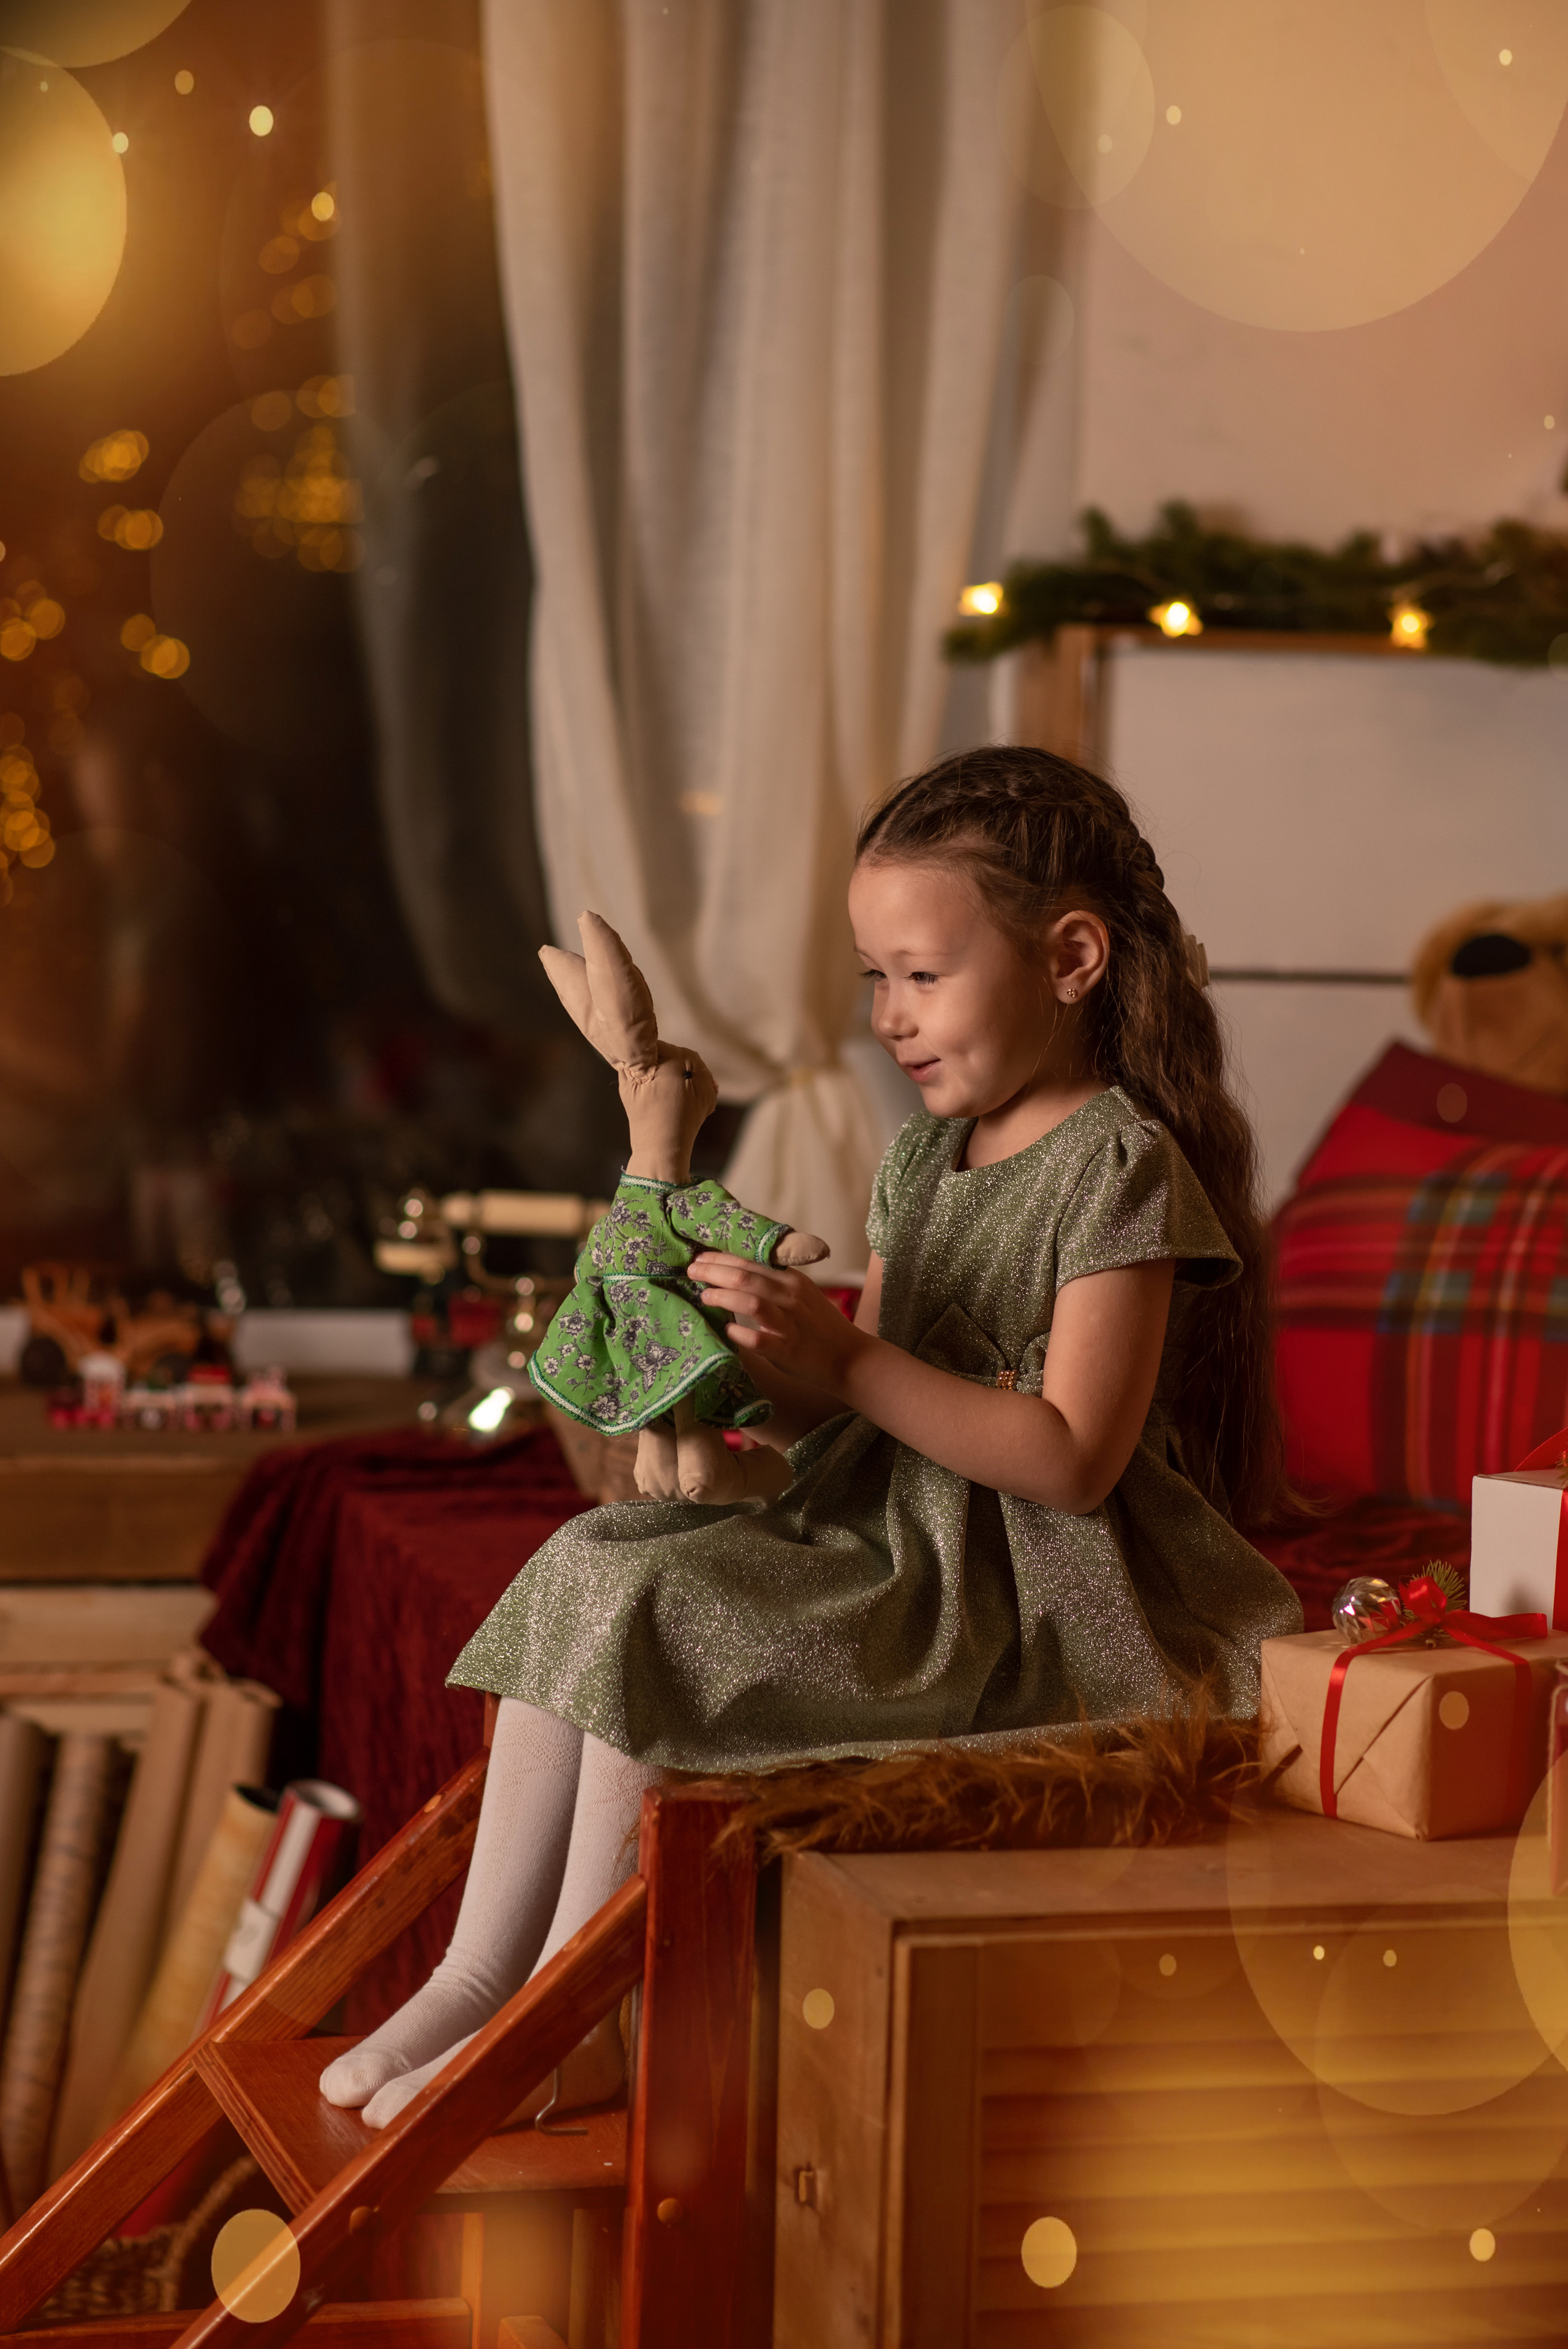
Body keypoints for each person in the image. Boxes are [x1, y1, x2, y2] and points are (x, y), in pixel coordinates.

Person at [320, 744, 1302, 2127]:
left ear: (1071, 958)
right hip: (890, 1522)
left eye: (921, 974)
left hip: (1025, 1586)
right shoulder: (918, 1159)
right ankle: (485, 1972)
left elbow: (1073, 1456)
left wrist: (843, 1354)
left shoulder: (1116, 1164)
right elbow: (850, 1397)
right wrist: (745, 1357)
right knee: (600, 1549)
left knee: (665, 1603)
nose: (890, 1018)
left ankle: (575, 2010)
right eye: (872, 981)